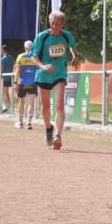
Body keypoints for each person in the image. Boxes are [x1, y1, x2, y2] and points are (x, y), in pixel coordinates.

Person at [31, 10, 80, 150]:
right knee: (45, 106)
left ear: (62, 24)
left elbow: (73, 47)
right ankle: (48, 129)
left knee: (59, 105)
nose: (54, 26)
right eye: (52, 23)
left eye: (57, 24)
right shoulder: (42, 37)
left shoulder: (67, 35)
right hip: (43, 74)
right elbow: (34, 56)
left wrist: (75, 56)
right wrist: (43, 66)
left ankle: (58, 136)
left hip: (60, 73)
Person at [14, 40, 38, 129]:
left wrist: (16, 83)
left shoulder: (20, 56)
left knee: (21, 102)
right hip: (33, 83)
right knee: (31, 103)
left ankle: (20, 122)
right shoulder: (35, 57)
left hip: (22, 83)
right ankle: (29, 123)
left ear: (25, 47)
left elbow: (17, 71)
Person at [0, 44, 15, 114]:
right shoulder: (11, 57)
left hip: (4, 78)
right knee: (7, 93)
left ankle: (8, 108)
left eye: (1, 50)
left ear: (3, 50)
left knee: (5, 93)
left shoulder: (3, 59)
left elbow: (1, 69)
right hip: (11, 77)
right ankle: (8, 107)